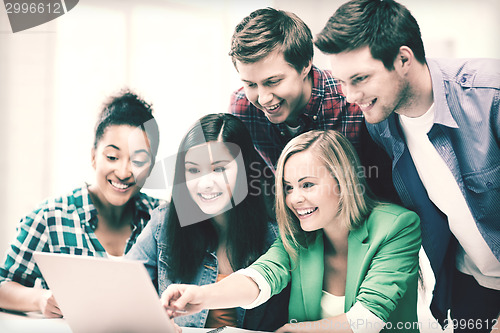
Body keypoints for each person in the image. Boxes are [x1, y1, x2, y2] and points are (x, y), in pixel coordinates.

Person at [313, 0, 500, 331]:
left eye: (360, 78)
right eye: (341, 82)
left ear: (403, 59)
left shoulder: (491, 96)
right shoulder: (379, 123)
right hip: (472, 283)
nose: (349, 96)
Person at [162, 130, 422, 333]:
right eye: (288, 187)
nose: (294, 199)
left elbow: (368, 319)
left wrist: (293, 331)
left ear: (343, 182)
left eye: (307, 185)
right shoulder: (300, 235)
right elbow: (260, 277)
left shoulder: (397, 227)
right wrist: (202, 296)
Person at [0, 90, 163, 318]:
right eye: (112, 157)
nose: (124, 172)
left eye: (138, 160)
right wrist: (40, 299)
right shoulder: (50, 217)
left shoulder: (161, 219)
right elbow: (3, 284)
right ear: (94, 156)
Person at [126, 113, 289, 330]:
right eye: (193, 170)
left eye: (219, 169)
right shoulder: (163, 223)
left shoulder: (275, 236)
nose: (205, 183)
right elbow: (120, 288)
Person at [228, 7, 398, 203]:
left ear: (305, 65)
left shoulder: (353, 101)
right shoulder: (243, 108)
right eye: (250, 84)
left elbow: (385, 187)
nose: (264, 98)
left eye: (273, 81)